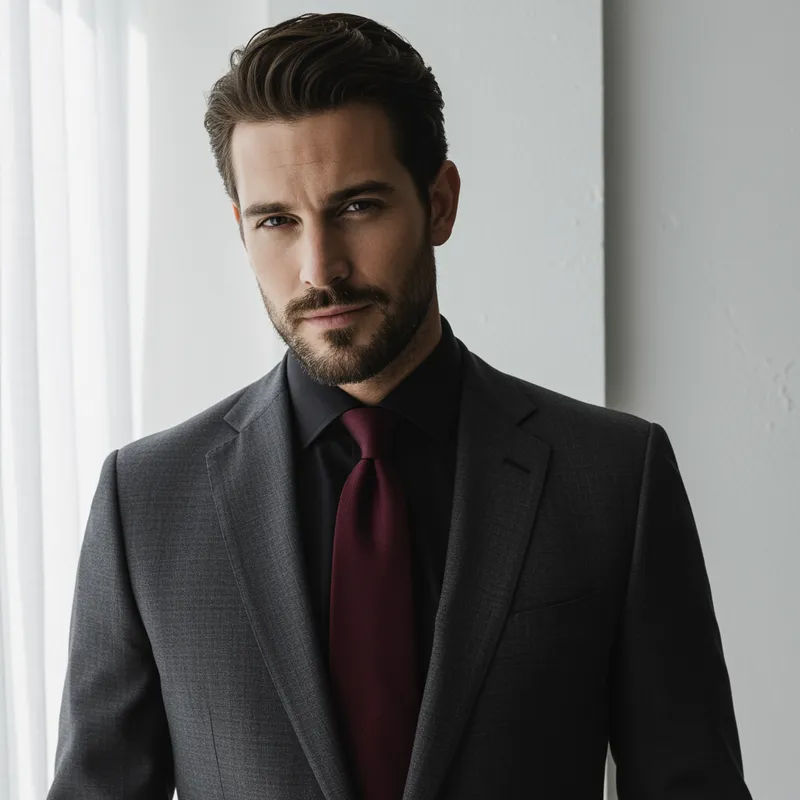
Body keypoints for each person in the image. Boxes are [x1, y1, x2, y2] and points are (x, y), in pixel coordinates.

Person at [48, 11, 753, 800]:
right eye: (276, 220)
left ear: (440, 203)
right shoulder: (145, 502)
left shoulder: (614, 479)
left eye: (357, 207)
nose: (320, 269)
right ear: (241, 231)